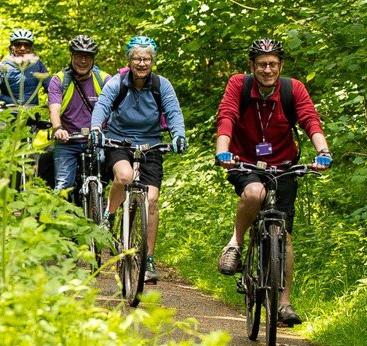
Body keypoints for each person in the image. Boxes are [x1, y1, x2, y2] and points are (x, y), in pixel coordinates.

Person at [214, 37, 331, 327]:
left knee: (285, 235)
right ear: (252, 65)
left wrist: (323, 152)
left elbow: (310, 120)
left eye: (273, 64)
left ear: (281, 66)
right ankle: (235, 243)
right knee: (254, 193)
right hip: (245, 161)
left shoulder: (293, 89)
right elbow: (226, 117)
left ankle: (283, 304)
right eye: (262, 64)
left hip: (284, 166)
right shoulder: (239, 84)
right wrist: (222, 151)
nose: (268, 70)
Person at [90, 35, 187, 285]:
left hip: (150, 144)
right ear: (129, 61)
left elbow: (173, 112)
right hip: (119, 141)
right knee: (124, 176)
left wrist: (178, 135)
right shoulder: (117, 83)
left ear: (152, 61)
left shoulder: (161, 85)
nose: (141, 63)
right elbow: (102, 106)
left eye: (146, 59)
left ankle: (149, 259)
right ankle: (109, 216)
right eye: (136, 59)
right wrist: (96, 128)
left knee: (151, 200)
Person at [0, 29, 52, 182]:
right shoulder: (3, 65)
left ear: (31, 48)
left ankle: (32, 179)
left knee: (33, 150)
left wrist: (55, 104)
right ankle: (1, 178)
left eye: (26, 45)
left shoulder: (38, 65)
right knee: (5, 150)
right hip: (7, 114)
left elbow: (51, 87)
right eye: (18, 45)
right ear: (12, 47)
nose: (22, 48)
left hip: (30, 114)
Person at [47, 35, 110, 193]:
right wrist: (57, 128)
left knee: (108, 171)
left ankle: (102, 204)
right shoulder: (60, 80)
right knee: (63, 186)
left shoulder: (104, 80)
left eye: (87, 57)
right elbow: (54, 108)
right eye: (79, 56)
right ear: (71, 56)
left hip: (96, 140)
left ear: (93, 59)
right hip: (68, 140)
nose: (83, 61)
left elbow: (116, 109)